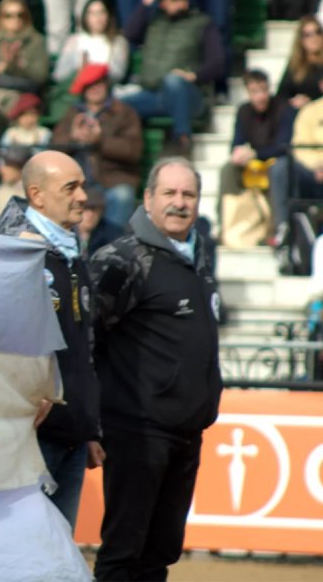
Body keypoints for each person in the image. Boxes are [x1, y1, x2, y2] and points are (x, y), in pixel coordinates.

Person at [90, 156, 222, 581]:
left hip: (186, 431)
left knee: (161, 550)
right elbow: (86, 337)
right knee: (124, 551)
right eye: (169, 193)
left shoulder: (199, 254)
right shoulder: (121, 259)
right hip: (137, 430)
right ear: (147, 199)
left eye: (188, 194)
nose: (179, 203)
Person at [0, 150, 103, 529]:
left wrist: (88, 426)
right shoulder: (13, 253)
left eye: (83, 186)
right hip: (28, 436)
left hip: (70, 433)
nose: (82, 196)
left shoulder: (72, 253)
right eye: (70, 187)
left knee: (57, 557)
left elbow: (81, 347)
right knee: (19, 556)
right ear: (37, 196)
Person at [120, 0, 224, 155]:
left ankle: (183, 141)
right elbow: (129, 33)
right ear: (162, 2)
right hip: (154, 96)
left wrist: (193, 76)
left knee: (173, 81)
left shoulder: (201, 23)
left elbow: (217, 62)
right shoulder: (154, 21)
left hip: (190, 96)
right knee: (117, 105)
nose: (181, 4)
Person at [51, 64, 143, 228]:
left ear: (106, 84)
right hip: (78, 182)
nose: (94, 89)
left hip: (112, 180)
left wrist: (100, 141)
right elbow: (53, 149)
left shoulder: (124, 112)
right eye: (89, 85)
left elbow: (133, 150)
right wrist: (72, 138)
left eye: (98, 84)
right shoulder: (73, 112)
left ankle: (114, 246)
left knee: (122, 195)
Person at [269, 62, 323, 234]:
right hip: (315, 175)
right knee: (280, 168)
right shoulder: (310, 111)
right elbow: (300, 146)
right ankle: (283, 231)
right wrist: (317, 165)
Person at [219, 69, 292, 235]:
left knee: (279, 168)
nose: (261, 96)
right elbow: (236, 143)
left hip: (276, 162)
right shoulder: (244, 111)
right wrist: (239, 154)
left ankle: (280, 227)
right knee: (228, 169)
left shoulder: (282, 108)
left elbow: (283, 146)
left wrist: (255, 154)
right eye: (255, 92)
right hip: (252, 163)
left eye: (264, 90)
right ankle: (224, 224)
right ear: (248, 93)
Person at [0, 0, 50, 109]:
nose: (15, 19)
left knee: (7, 99)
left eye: (20, 15)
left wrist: (22, 64)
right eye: (8, 16)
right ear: (0, 19)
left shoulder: (36, 41)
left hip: (26, 93)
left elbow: (41, 77)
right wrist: (3, 64)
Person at [53, 0, 130, 86]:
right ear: (85, 17)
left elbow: (118, 74)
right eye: (92, 13)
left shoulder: (118, 42)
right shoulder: (74, 40)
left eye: (101, 12)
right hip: (76, 88)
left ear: (108, 15)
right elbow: (60, 74)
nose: (98, 17)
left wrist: (93, 74)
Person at [277, 15, 323, 111]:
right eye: (308, 35)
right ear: (301, 40)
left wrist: (312, 104)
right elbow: (282, 95)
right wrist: (294, 101)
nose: (314, 38)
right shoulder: (296, 63)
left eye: (317, 32)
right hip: (301, 113)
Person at [0, 143, 31, 221]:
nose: (1, 169)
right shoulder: (1, 191)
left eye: (8, 165)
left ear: (21, 166)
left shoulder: (31, 195)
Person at [78, 186, 124, 259]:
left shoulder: (113, 234)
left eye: (95, 210)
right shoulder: (66, 232)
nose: (90, 215)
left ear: (102, 212)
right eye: (86, 209)